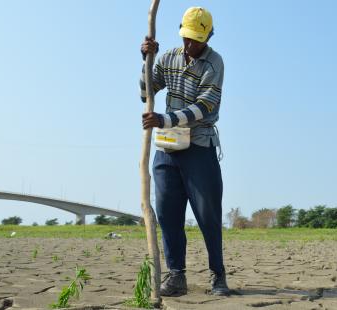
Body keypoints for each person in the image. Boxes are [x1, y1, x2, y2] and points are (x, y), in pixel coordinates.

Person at [139, 7, 228, 297]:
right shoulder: (168, 58)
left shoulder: (214, 64)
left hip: (199, 147)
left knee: (208, 214)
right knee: (167, 213)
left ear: (209, 36)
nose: (191, 45)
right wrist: (146, 60)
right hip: (167, 148)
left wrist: (164, 119)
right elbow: (146, 92)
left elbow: (204, 108)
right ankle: (176, 276)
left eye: (197, 40)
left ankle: (218, 276)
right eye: (187, 38)